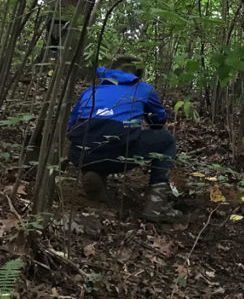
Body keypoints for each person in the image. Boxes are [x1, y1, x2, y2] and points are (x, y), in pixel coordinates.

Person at [67, 55, 180, 222]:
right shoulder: (143, 89)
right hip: (120, 150)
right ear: (138, 74)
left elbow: (72, 127)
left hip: (81, 155)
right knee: (166, 140)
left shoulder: (90, 91)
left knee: (93, 138)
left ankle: (94, 172)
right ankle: (157, 205)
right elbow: (159, 121)